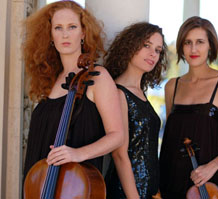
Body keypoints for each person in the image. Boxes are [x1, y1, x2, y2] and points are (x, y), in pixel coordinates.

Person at [23, 0, 124, 182]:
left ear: (83, 33)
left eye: (72, 27)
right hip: (40, 184)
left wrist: (78, 154)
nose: (65, 35)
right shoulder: (49, 80)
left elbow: (117, 135)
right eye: (58, 28)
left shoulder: (97, 76)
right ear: (50, 35)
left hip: (75, 186)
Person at [159, 16, 218, 199]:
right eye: (188, 42)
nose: (193, 49)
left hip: (210, 184)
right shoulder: (172, 86)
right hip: (172, 180)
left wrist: (212, 167)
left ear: (210, 45)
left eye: (200, 42)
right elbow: (171, 137)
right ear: (181, 46)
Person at [104, 22, 168, 199]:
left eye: (158, 50)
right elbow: (119, 154)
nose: (152, 54)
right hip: (126, 192)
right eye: (146, 45)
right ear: (131, 46)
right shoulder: (118, 92)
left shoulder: (140, 93)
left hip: (148, 192)